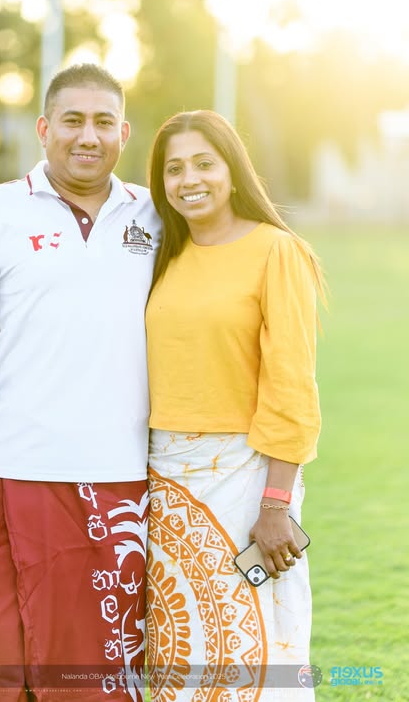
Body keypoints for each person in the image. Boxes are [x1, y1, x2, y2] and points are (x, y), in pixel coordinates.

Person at [0, 64, 161, 702]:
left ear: (123, 131)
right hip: (20, 476)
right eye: (72, 120)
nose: (87, 136)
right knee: (17, 673)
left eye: (102, 122)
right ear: (43, 129)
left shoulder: (156, 213)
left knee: (110, 675)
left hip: (128, 479)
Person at [144, 110, 325, 701]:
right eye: (174, 169)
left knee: (253, 647)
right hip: (165, 482)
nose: (188, 179)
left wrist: (276, 505)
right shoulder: (161, 254)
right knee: (182, 647)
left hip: (248, 478)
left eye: (203, 163)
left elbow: (291, 383)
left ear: (232, 170)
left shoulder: (277, 251)